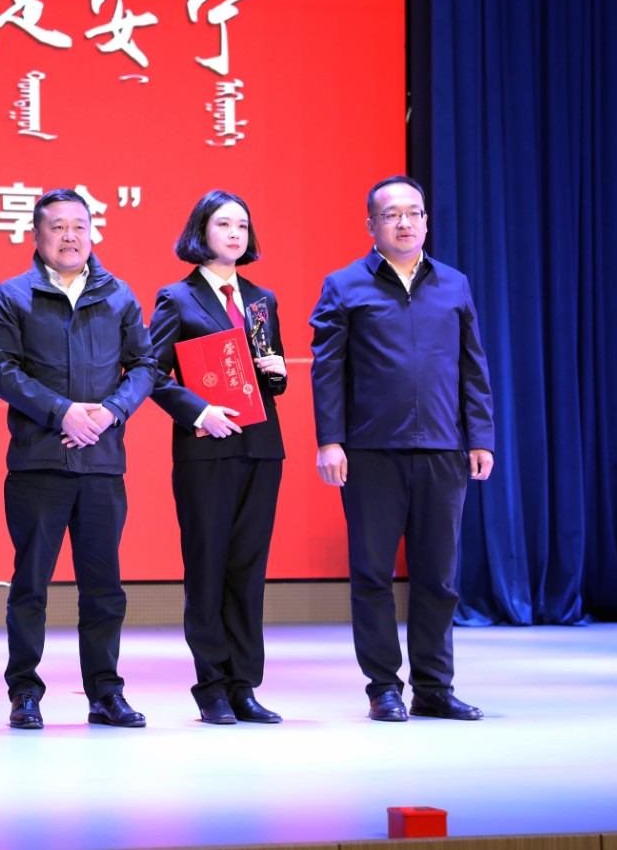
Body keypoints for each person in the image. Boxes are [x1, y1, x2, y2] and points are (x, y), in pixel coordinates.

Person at [310, 174, 494, 722]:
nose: (404, 223)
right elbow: (328, 371)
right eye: (391, 215)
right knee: (372, 575)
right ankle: (383, 687)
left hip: (443, 449)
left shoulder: (454, 284)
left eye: (413, 213)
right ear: (371, 225)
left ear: (426, 221)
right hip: (371, 451)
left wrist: (480, 437)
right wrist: (330, 440)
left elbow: (473, 367)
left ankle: (434, 687)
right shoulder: (344, 285)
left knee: (438, 578)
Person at [0, 188, 159, 731]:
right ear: (35, 235)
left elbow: (145, 365)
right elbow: (0, 369)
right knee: (30, 587)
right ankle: (24, 692)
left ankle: (105, 692)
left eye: (79, 226)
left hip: (102, 463)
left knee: (104, 588)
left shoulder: (118, 294)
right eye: (57, 226)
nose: (70, 236)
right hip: (38, 463)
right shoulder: (14, 295)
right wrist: (61, 411)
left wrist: (111, 412)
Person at [147, 190, 288, 725]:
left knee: (248, 569)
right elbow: (152, 373)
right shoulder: (176, 298)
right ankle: (211, 687)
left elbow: (269, 372)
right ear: (201, 231)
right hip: (206, 449)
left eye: (242, 226)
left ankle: (244, 685)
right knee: (207, 566)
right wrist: (199, 411)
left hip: (261, 447)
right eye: (224, 224)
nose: (235, 234)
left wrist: (277, 372)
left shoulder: (261, 299)